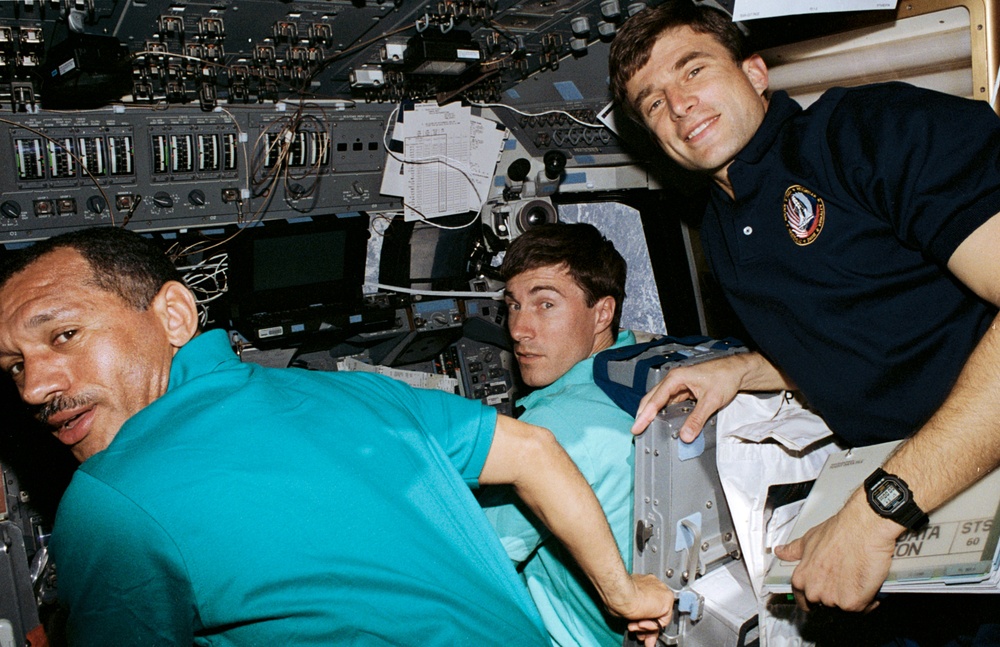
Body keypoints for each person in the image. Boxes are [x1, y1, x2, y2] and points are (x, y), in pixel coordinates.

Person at [0, 226, 673, 647]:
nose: (35, 387)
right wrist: (621, 592)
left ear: (175, 313)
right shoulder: (359, 389)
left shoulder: (107, 499)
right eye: (14, 366)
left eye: (64, 335)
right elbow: (532, 451)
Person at [607, 0, 1000, 635]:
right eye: (652, 103)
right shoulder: (719, 226)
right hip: (926, 502)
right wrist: (742, 369)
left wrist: (880, 508)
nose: (677, 105)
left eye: (692, 69)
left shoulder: (868, 130)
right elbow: (868, 332)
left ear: (756, 72)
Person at [479, 222, 636, 647]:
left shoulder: (556, 431)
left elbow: (474, 556)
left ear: (602, 312)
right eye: (512, 306)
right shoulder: (645, 372)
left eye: (545, 304)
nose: (518, 330)